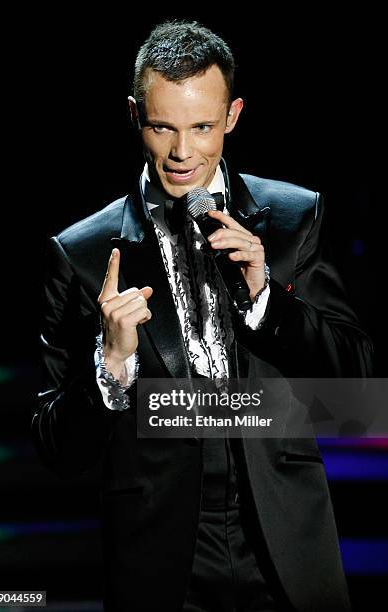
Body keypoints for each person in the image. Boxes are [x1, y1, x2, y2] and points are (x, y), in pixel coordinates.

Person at [33, 20, 372, 612]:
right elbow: (58, 451)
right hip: (160, 553)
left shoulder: (294, 218)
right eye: (163, 126)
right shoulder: (83, 252)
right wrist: (111, 366)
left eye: (203, 127)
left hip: (284, 533)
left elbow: (357, 385)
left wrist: (268, 299)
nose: (183, 152)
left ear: (233, 116)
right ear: (135, 115)